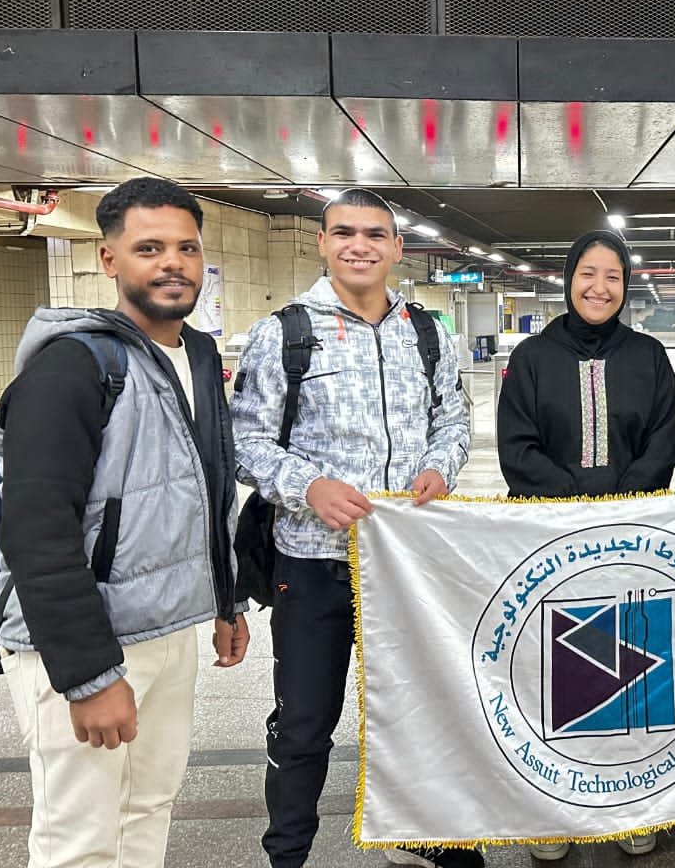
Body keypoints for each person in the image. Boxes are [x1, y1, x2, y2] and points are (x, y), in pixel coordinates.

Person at [0, 177, 249, 868]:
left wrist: (226, 600)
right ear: (109, 259)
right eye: (150, 248)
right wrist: (88, 674)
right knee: (79, 838)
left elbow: (208, 488)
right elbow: (36, 529)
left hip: (169, 628)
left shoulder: (199, 356)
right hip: (86, 641)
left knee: (147, 807)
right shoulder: (72, 366)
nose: (173, 263)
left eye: (187, 248)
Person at [232, 188, 472, 868]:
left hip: (406, 564)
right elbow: (245, 441)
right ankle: (287, 855)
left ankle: (422, 835)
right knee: (304, 722)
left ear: (397, 247)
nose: (358, 245)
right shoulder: (284, 333)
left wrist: (441, 466)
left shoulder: (427, 334)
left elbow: (453, 418)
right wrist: (307, 485)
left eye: (373, 234)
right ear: (322, 242)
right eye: (344, 233)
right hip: (313, 563)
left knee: (420, 712)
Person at [497, 228, 675, 857]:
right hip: (552, 542)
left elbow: (663, 437)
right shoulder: (532, 358)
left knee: (634, 676)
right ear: (568, 279)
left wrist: (622, 502)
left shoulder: (648, 356)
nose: (600, 287)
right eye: (588, 274)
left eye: (613, 276)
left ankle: (632, 804)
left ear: (626, 286)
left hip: (633, 544)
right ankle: (551, 811)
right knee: (553, 675)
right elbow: (517, 447)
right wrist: (574, 502)